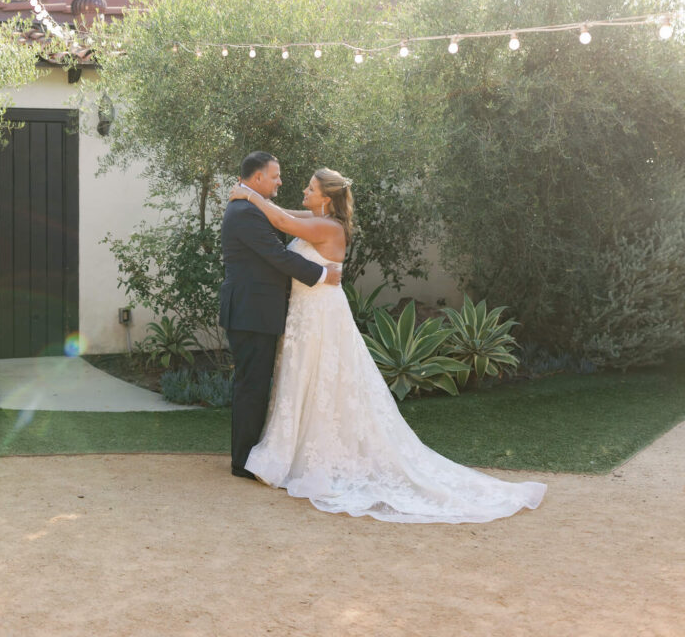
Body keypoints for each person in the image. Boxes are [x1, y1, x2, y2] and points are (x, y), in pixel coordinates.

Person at [227, 167, 547, 524]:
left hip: (320, 316)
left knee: (325, 380)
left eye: (311, 187)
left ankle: (321, 458)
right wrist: (253, 197)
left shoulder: (327, 227)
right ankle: (299, 451)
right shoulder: (319, 217)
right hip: (306, 316)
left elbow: (283, 223)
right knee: (308, 380)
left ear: (326, 197)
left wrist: (248, 193)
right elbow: (287, 216)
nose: (303, 190)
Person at [219, 151, 342, 479]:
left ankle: (245, 455)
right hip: (250, 311)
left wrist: (255, 198)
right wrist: (320, 274)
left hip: (253, 311)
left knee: (254, 384)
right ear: (257, 178)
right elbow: (276, 256)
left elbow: (286, 219)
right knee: (252, 386)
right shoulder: (245, 212)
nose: (281, 181)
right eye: (275, 176)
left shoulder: (249, 206)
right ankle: (242, 461)